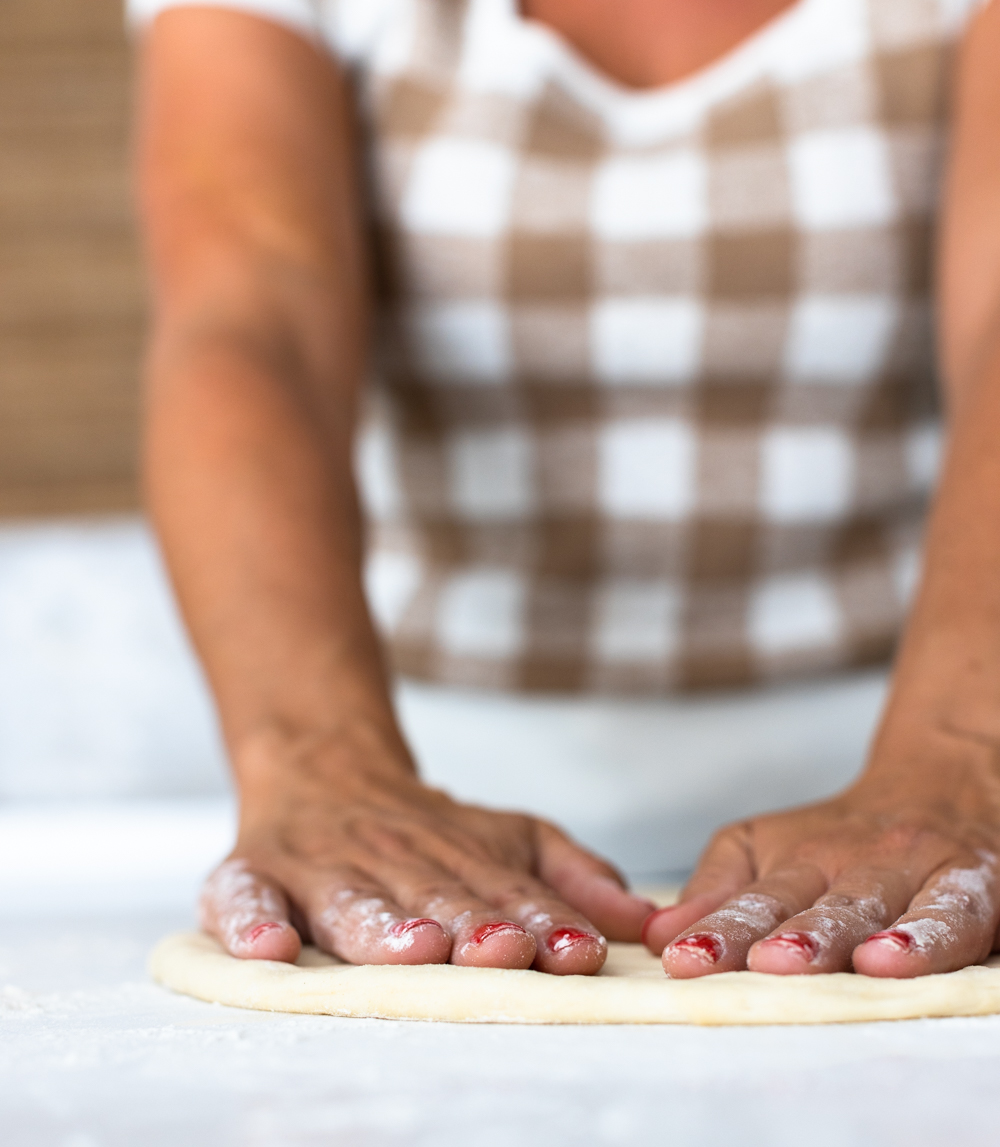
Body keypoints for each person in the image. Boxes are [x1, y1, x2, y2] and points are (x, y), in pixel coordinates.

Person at [128, 0, 1000, 979]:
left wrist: (965, 753)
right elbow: (252, 317)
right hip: (422, 803)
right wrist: (319, 767)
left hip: (924, 791)